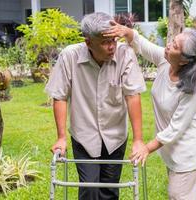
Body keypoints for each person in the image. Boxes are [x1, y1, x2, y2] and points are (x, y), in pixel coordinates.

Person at [45, 12, 146, 200]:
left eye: (114, 40)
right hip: (84, 135)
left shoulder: (125, 55)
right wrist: (61, 137)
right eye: (105, 42)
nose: (112, 47)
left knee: (109, 189)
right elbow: (59, 96)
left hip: (115, 135)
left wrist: (138, 140)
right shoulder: (70, 56)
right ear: (88, 42)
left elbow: (133, 96)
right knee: (89, 189)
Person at [104, 22, 196, 200]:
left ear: (184, 60)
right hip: (173, 149)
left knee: (178, 195)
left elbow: (175, 128)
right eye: (172, 41)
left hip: (188, 148)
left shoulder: (192, 88)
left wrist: (146, 148)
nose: (168, 45)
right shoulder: (166, 59)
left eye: (175, 46)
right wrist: (127, 32)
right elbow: (143, 45)